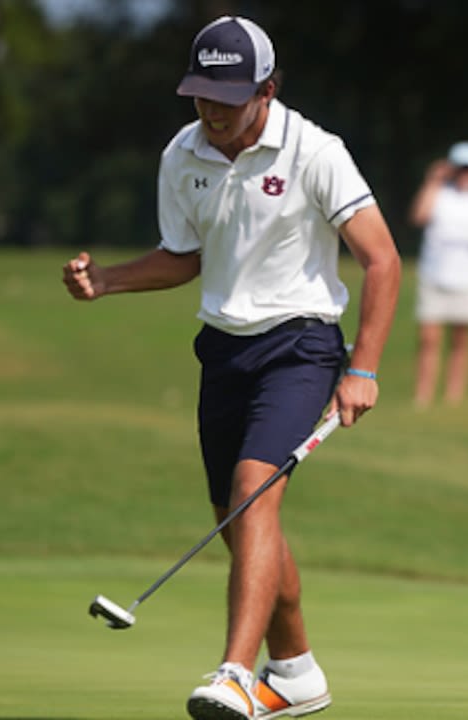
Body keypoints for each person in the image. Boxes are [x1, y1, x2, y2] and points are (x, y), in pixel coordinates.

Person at [60, 16, 400, 720]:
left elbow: (382, 258)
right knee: (238, 519)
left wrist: (361, 367)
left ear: (266, 90)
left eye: (227, 96)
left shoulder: (314, 150)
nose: (211, 110)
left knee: (253, 494)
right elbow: (184, 256)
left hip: (301, 343)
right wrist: (109, 281)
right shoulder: (182, 154)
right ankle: (298, 671)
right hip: (223, 349)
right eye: (200, 95)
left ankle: (235, 673)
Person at [407, 141, 468, 408]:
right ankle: (423, 395)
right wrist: (432, 181)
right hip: (434, 272)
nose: (466, 173)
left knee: (460, 339)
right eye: (461, 168)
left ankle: (453, 395)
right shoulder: (438, 193)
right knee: (428, 339)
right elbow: (419, 216)